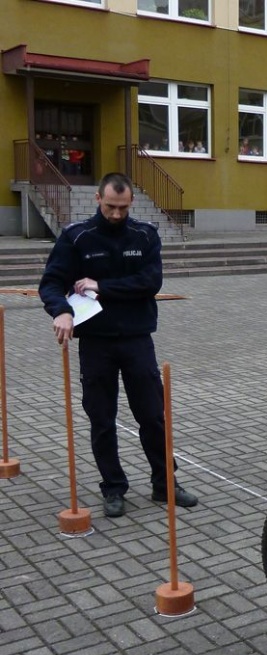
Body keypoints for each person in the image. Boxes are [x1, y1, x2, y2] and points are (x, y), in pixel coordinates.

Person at [38, 172, 198, 519]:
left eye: (122, 208)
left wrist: (101, 286)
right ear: (98, 199)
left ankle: (164, 483)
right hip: (96, 343)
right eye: (110, 206)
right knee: (101, 419)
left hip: (137, 338)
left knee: (153, 416)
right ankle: (113, 487)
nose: (115, 214)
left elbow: (150, 281)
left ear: (131, 204)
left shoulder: (144, 235)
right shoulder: (77, 237)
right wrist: (62, 311)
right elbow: (50, 283)